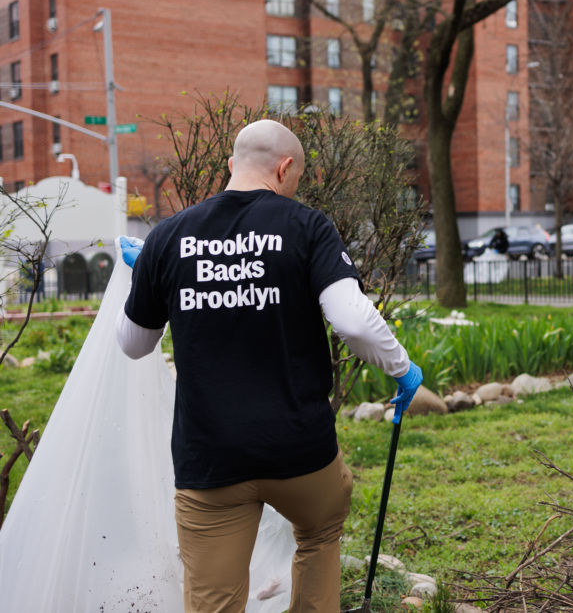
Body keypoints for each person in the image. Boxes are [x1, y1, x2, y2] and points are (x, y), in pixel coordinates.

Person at [115, 119, 423, 613]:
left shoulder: (168, 237)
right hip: (300, 453)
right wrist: (404, 369)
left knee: (213, 602)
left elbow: (133, 345)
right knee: (320, 535)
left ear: (232, 165)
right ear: (285, 169)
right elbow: (356, 323)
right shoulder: (307, 226)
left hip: (210, 461)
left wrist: (149, 276)